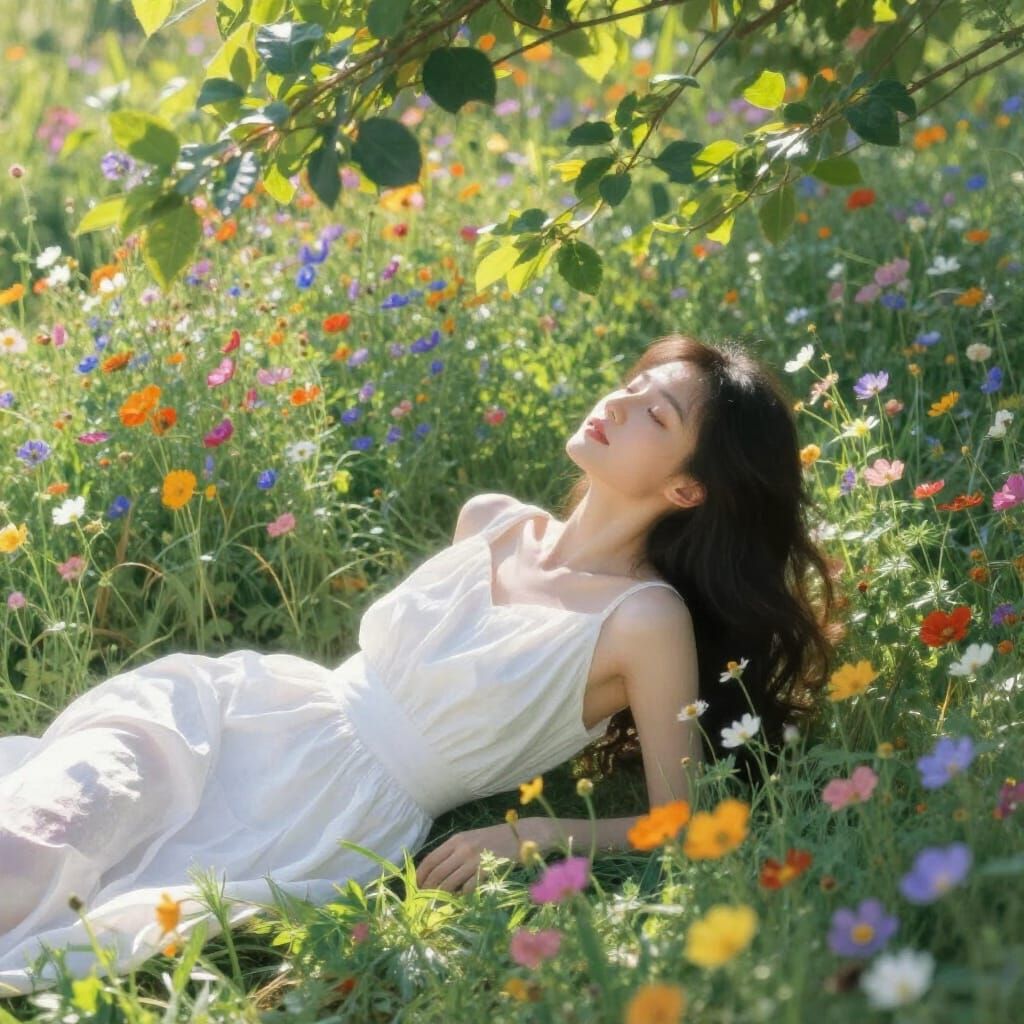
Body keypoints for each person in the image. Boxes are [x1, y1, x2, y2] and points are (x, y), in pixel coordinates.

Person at [0, 332, 838, 997]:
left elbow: (681, 823)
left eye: (654, 416)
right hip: (242, 707)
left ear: (689, 489)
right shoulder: (491, 520)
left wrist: (532, 835)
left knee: (59, 891)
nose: (617, 405)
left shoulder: (643, 620)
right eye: (630, 386)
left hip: (322, 813)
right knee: (44, 824)